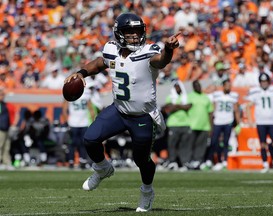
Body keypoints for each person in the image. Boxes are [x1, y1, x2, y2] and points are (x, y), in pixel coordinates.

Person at [64, 12, 180, 212]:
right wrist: (81, 73)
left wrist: (169, 50)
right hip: (118, 110)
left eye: (137, 32)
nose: (135, 36)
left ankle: (147, 191)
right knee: (90, 139)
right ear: (119, 34)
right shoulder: (111, 50)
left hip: (142, 116)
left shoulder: (147, 51)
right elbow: (100, 63)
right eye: (129, 32)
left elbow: (161, 61)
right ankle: (102, 168)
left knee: (141, 160)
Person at [246, 73, 273, 172]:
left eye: (265, 81)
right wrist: (250, 120)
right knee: (263, 144)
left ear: (268, 81)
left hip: (272, 121)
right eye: (262, 81)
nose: (264, 83)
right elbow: (248, 106)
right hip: (261, 121)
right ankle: (265, 164)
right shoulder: (255, 91)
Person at [201, 79, 241, 171]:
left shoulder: (234, 96)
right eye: (227, 85)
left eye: (229, 85)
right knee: (213, 142)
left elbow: (236, 110)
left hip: (228, 121)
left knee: (226, 142)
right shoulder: (217, 94)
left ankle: (224, 162)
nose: (228, 87)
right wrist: (211, 120)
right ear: (223, 86)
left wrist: (238, 123)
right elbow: (213, 107)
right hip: (218, 121)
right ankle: (209, 161)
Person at [62, 88, 95, 169]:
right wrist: (67, 122)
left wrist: (92, 120)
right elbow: (64, 109)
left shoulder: (86, 93)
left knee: (83, 143)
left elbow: (91, 109)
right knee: (72, 143)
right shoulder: (69, 93)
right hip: (73, 123)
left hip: (84, 122)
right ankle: (71, 160)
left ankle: (82, 160)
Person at [161, 80, 191, 170]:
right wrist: (181, 106)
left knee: (184, 145)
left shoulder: (186, 97)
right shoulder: (170, 97)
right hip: (173, 124)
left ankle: (184, 162)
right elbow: (168, 109)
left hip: (185, 123)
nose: (177, 88)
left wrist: (176, 106)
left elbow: (188, 106)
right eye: (176, 86)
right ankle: (172, 162)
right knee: (172, 144)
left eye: (179, 86)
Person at [187, 80, 214, 170]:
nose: (198, 87)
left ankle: (198, 161)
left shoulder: (206, 97)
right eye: (196, 85)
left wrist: (211, 127)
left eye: (199, 85)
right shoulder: (189, 96)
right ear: (193, 87)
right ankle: (190, 161)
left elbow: (210, 113)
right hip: (192, 125)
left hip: (204, 125)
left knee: (201, 145)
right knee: (191, 144)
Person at [0, 87, 12, 169]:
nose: (2, 96)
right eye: (1, 95)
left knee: (6, 147)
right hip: (0, 128)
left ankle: (7, 162)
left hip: (6, 128)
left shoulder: (4, 104)